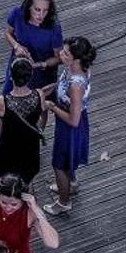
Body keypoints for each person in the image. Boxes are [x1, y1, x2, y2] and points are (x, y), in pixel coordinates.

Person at [43, 36, 96, 216]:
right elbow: (61, 84)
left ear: (77, 58)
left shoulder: (76, 85)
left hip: (70, 127)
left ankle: (63, 202)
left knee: (59, 164)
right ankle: (71, 184)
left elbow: (73, 119)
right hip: (71, 121)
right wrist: (48, 89)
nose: (61, 54)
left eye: (66, 53)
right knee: (67, 161)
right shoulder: (75, 69)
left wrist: (52, 107)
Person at [0, 58, 48, 183]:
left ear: (11, 76)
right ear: (30, 77)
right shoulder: (39, 94)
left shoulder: (2, 101)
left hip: (8, 145)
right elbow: (42, 114)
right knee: (26, 181)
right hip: (29, 145)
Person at [2, 0, 64, 94]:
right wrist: (16, 46)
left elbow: (59, 57)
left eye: (45, 10)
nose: (41, 15)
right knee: (7, 99)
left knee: (38, 106)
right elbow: (7, 33)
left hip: (42, 75)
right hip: (18, 68)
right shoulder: (17, 13)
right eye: (37, 9)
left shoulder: (54, 28)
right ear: (29, 6)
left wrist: (41, 64)